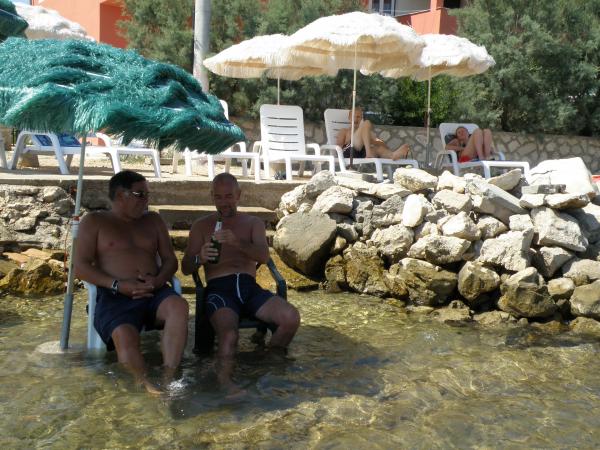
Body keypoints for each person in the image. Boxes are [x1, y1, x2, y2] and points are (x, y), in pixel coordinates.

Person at [182, 173, 300, 396]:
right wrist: (199, 258)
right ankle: (225, 382)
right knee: (229, 335)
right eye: (218, 197)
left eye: (228, 196)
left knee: (290, 318)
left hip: (249, 288)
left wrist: (237, 242)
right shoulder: (201, 226)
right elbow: (186, 267)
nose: (223, 202)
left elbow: (263, 256)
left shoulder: (253, 223)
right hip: (220, 289)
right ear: (212, 197)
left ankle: (268, 361)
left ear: (238, 195)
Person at [74, 170, 189, 393]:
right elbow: (81, 267)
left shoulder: (153, 220)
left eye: (147, 194)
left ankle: (169, 376)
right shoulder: (95, 222)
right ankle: (145, 385)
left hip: (154, 291)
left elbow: (170, 260)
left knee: (178, 306)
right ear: (120, 195)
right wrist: (118, 285)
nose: (146, 200)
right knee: (124, 336)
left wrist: (158, 281)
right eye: (140, 194)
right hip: (115, 295)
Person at [336, 107, 410, 160]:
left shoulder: (366, 133)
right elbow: (338, 147)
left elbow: (384, 146)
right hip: (350, 153)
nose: (355, 119)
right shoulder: (344, 131)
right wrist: (350, 140)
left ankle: (393, 155)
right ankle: (368, 154)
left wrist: (370, 141)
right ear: (349, 118)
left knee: (379, 149)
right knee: (367, 123)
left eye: (358, 117)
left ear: (361, 119)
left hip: (362, 154)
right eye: (353, 116)